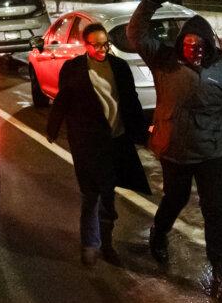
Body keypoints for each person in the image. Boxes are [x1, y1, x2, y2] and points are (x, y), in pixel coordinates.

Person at [128, 0, 222, 303]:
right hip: (174, 150)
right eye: (188, 44)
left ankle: (220, 272)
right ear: (182, 44)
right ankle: (159, 232)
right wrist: (149, 3)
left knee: (215, 210)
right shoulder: (164, 62)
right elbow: (135, 33)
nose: (193, 51)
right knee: (175, 199)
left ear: (208, 46)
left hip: (210, 154)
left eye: (199, 46)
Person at [46, 23, 150, 266]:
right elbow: (62, 101)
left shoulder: (120, 68)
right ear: (86, 45)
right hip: (87, 144)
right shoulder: (73, 69)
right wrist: (53, 128)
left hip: (116, 142)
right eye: (97, 45)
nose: (103, 49)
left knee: (108, 194)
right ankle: (90, 244)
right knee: (91, 195)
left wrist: (143, 134)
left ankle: (107, 243)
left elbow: (130, 102)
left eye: (106, 44)